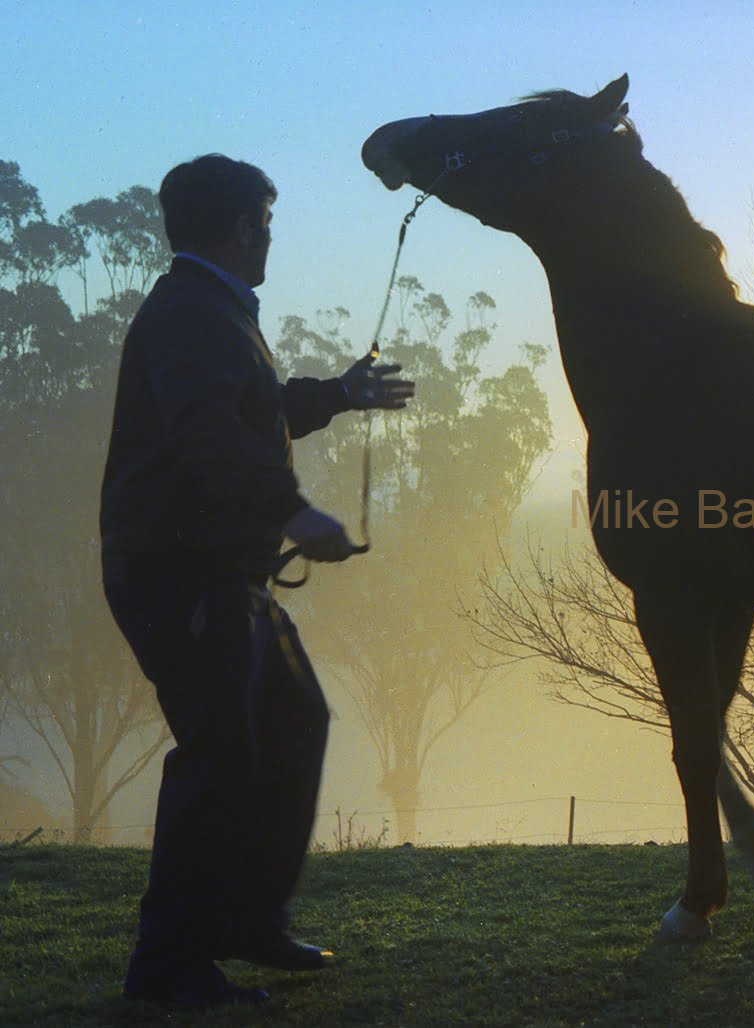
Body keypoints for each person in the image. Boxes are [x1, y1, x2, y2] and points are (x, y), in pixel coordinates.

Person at [99, 154, 414, 1007]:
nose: (271, 239)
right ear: (243, 227)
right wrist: (295, 512)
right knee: (219, 755)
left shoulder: (209, 309)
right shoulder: (194, 313)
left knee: (293, 721)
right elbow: (209, 433)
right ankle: (164, 966)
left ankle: (246, 922)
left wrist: (340, 393)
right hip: (182, 578)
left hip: (221, 576)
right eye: (267, 224)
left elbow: (251, 407)